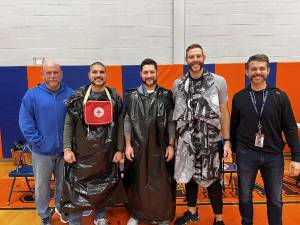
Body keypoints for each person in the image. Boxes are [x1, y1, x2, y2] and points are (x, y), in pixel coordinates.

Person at [230, 54, 300, 225]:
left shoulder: (280, 96)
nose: (257, 72)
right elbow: (234, 126)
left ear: (268, 71)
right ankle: (247, 222)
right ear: (247, 72)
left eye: (262, 68)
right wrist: (233, 151)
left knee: (275, 198)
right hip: (246, 153)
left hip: (274, 155)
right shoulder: (239, 97)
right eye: (253, 69)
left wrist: (296, 158)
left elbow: (290, 127)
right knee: (245, 195)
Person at [60, 62, 127, 225]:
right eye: (95, 72)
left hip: (106, 152)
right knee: (77, 187)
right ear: (89, 75)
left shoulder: (114, 96)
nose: (98, 75)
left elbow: (120, 124)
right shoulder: (78, 96)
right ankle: (75, 219)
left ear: (106, 75)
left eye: (102, 72)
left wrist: (119, 148)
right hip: (81, 153)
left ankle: (100, 215)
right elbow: (69, 123)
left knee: (103, 184)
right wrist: (67, 148)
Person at [173, 44, 232, 225]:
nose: (195, 60)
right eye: (191, 57)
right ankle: (192, 212)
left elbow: (224, 110)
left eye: (198, 56)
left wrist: (227, 140)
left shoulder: (218, 81)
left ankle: (219, 218)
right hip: (187, 141)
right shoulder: (178, 84)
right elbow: (176, 113)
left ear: (204, 57)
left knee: (213, 178)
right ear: (186, 60)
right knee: (189, 176)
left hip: (211, 141)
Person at [19, 61, 73, 225]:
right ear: (42, 75)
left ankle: (62, 209)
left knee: (63, 185)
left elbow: (76, 122)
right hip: (41, 153)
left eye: (55, 72)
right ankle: (43, 214)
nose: (52, 76)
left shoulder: (70, 94)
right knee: (42, 187)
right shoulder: (32, 95)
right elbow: (25, 122)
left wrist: (69, 146)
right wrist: (39, 142)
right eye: (48, 73)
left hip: (65, 152)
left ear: (61, 74)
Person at [124, 58, 176, 225]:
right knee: (137, 182)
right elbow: (127, 121)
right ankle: (137, 214)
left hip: (161, 147)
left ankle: (162, 215)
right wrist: (127, 145)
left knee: (162, 182)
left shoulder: (166, 95)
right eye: (145, 72)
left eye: (151, 72)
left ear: (156, 73)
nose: (148, 75)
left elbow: (170, 122)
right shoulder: (132, 96)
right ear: (140, 74)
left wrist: (171, 145)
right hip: (137, 147)